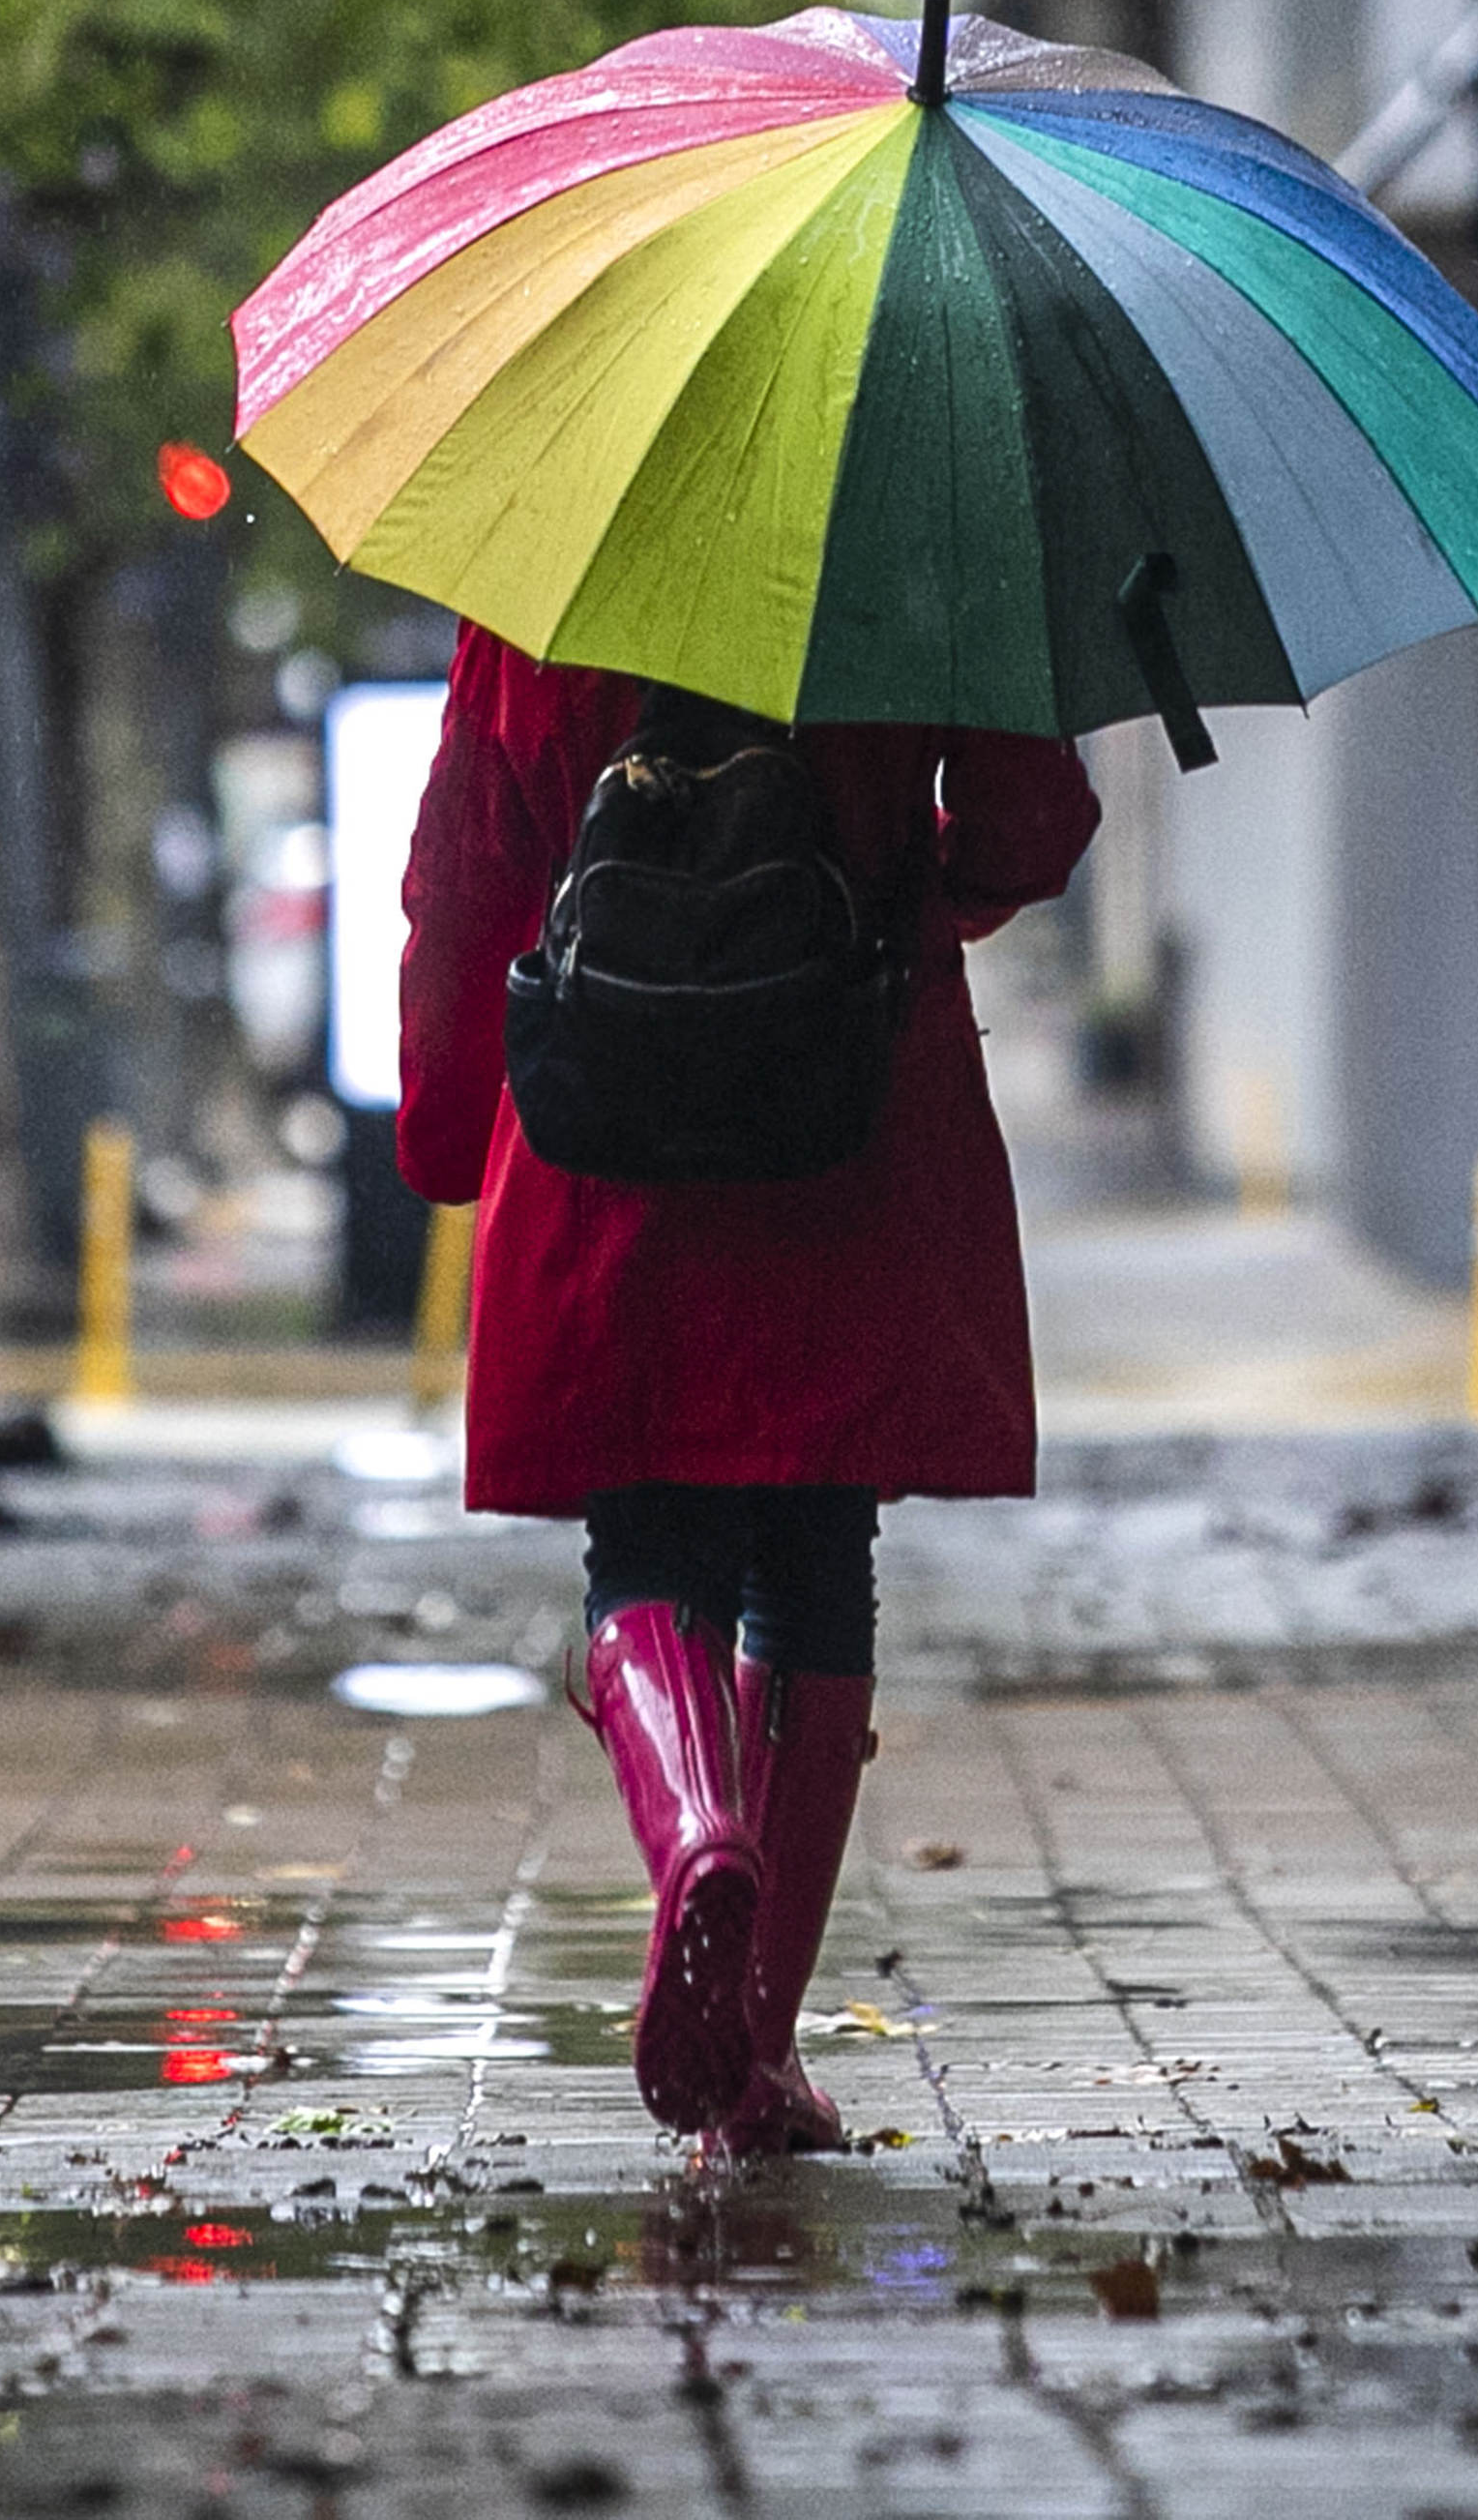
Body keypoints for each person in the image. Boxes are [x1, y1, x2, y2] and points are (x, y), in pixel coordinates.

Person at [395, 623, 1098, 2151]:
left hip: (606, 1117)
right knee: (815, 1555)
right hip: (840, 1095)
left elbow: (463, 863)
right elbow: (1034, 823)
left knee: (644, 1547)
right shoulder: (908, 551)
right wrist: (906, 899)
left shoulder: (544, 567)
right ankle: (756, 2056)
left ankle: (694, 1832)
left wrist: (449, 1120)